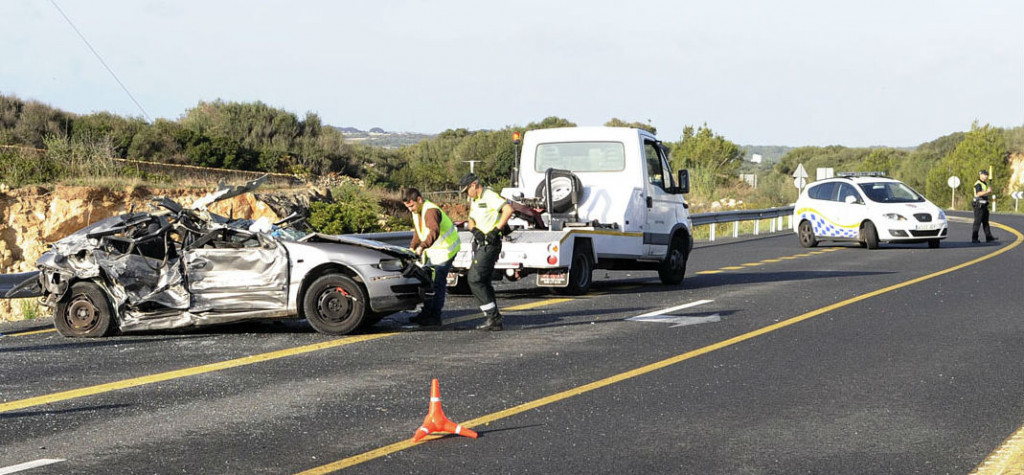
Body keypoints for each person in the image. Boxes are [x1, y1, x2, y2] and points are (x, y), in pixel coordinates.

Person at [458, 172, 514, 331]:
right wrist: (475, 229)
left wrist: (495, 230)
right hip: (480, 243)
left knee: (475, 279)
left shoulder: (488, 195)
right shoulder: (475, 199)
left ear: (474, 185)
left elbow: (508, 209)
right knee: (483, 280)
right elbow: (471, 219)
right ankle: (493, 318)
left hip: (491, 244)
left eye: (467, 190)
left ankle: (493, 317)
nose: (466, 194)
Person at [403, 188, 461, 327]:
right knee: (427, 283)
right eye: (407, 207)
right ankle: (426, 313)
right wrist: (413, 247)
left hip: (446, 251)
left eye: (411, 206)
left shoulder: (431, 211)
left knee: (437, 284)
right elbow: (419, 231)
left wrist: (422, 246)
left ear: (419, 200)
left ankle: (435, 317)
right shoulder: (418, 211)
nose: (410, 209)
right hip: (435, 253)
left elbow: (433, 230)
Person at [971, 169, 997, 244]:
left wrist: (988, 192)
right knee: (977, 222)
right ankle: (974, 238)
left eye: (987, 175)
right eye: (985, 175)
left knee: (986, 222)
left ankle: (989, 237)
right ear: (980, 175)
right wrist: (987, 191)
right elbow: (978, 193)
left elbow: (984, 194)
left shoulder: (985, 184)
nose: (986, 176)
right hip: (979, 205)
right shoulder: (978, 184)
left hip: (984, 205)